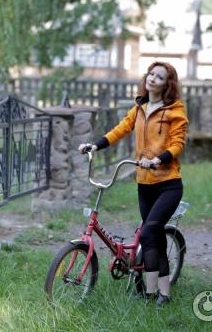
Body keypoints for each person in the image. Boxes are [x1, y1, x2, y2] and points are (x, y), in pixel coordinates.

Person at [79, 61, 188, 307]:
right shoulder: (140, 107)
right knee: (154, 239)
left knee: (149, 233)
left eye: (159, 77)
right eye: (151, 74)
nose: (152, 79)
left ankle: (151, 294)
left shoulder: (175, 110)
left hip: (168, 184)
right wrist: (95, 145)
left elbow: (178, 144)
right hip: (145, 184)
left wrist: (159, 159)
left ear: (167, 84)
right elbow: (121, 129)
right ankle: (161, 294)